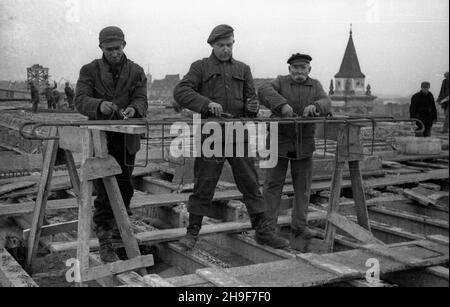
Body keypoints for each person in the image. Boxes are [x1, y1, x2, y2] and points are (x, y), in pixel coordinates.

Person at [173, 24, 289, 250]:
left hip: (238, 133)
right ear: (212, 46)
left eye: (229, 45)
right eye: (221, 45)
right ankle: (192, 233)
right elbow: (181, 92)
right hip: (212, 136)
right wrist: (206, 104)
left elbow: (250, 103)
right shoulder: (200, 67)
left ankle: (263, 232)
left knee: (250, 183)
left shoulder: (243, 69)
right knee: (204, 184)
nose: (226, 49)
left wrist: (252, 107)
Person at [74, 26, 148, 262]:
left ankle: (119, 238)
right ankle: (106, 243)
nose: (114, 53)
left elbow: (141, 98)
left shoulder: (136, 71)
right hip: (100, 140)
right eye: (109, 49)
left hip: (126, 140)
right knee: (104, 193)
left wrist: (134, 108)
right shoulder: (89, 71)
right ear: (101, 48)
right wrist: (98, 105)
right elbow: (80, 100)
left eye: (117, 48)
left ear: (124, 45)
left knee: (125, 189)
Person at [258, 53, 331, 251]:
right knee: (273, 186)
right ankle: (268, 229)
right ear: (290, 69)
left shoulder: (315, 86)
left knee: (303, 186)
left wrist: (315, 106)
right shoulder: (280, 82)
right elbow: (263, 90)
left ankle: (300, 226)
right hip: (278, 142)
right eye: (296, 68)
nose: (299, 71)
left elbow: (326, 101)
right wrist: (282, 105)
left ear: (309, 70)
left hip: (303, 144)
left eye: (303, 68)